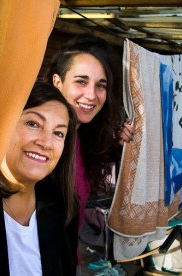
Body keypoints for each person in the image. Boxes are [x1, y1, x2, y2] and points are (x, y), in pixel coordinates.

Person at [42, 34, 133, 270]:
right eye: (81, 81)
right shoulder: (39, 146)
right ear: (57, 82)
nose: (91, 95)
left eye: (100, 85)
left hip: (70, 260)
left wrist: (116, 147)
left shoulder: (84, 139)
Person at [0, 81, 78, 276]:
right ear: (3, 126)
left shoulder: (62, 205)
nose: (46, 143)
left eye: (58, 133)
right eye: (33, 124)